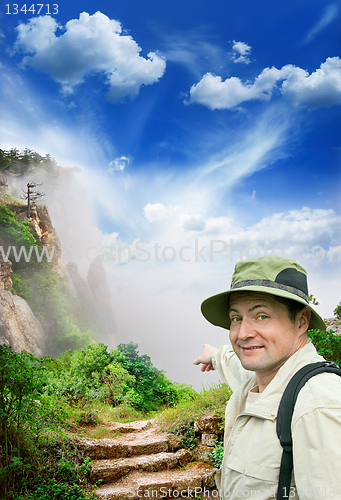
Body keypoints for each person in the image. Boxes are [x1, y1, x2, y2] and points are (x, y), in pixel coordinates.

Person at [194, 257, 341, 500]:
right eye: (236, 318)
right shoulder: (262, 377)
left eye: (262, 316)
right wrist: (214, 355)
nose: (243, 334)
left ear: (301, 321)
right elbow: (235, 365)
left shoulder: (317, 405)